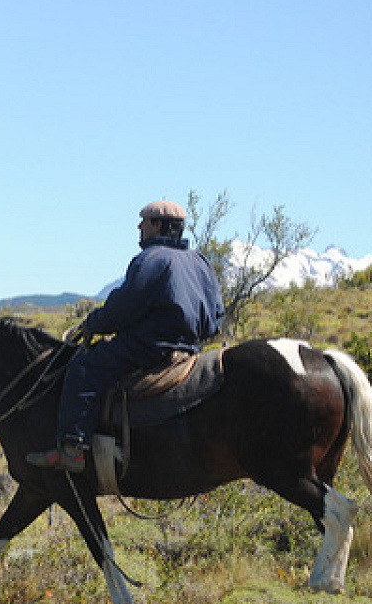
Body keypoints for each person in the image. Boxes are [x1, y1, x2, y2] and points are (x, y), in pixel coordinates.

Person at [26, 199, 225, 472]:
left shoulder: (151, 259)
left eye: (144, 221)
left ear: (158, 225)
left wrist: (93, 324)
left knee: (84, 368)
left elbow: (123, 308)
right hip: (190, 349)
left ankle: (72, 448)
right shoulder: (200, 262)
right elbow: (216, 317)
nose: (139, 226)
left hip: (148, 347)